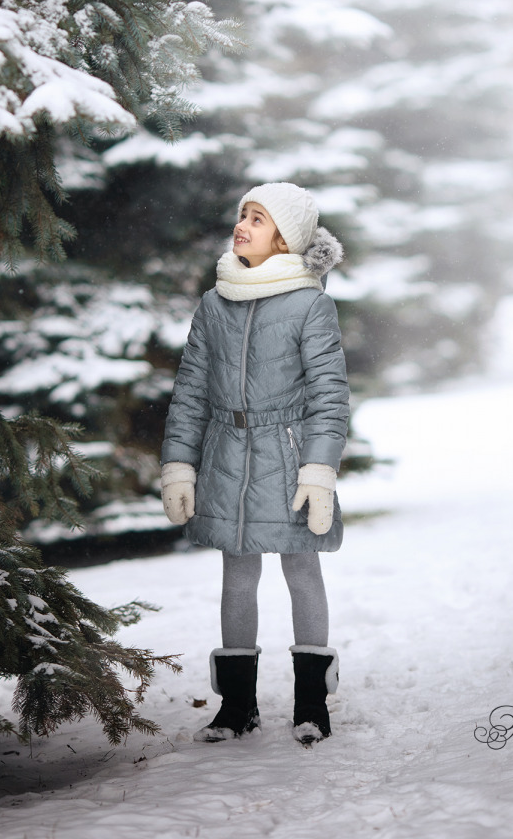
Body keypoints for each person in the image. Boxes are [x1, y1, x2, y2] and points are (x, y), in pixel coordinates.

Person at [160, 182, 348, 746]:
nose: (242, 225)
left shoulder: (310, 302)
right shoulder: (214, 302)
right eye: (242, 214)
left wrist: (318, 470)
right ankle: (237, 706)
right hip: (226, 456)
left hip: (287, 456)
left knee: (301, 569)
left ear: (285, 237)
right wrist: (179, 465)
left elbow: (329, 395)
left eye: (258, 218)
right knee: (237, 575)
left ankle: (312, 704)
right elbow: (190, 391)